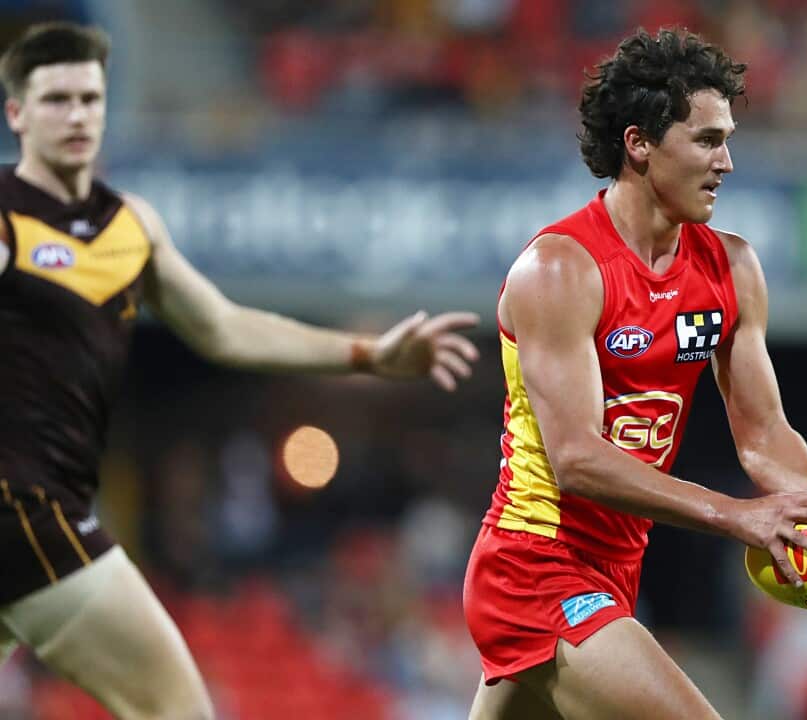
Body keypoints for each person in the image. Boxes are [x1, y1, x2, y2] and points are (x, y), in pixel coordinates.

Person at [0, 22, 480, 719]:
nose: (76, 116)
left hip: (45, 513)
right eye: (55, 100)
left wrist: (367, 355)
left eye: (89, 99)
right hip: (26, 513)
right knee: (178, 709)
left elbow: (224, 327)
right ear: (16, 114)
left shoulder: (129, 226)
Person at [462, 27, 807, 720]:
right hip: (532, 565)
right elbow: (577, 459)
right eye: (707, 140)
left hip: (615, 570)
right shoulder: (560, 270)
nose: (727, 162)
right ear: (639, 143)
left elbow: (764, 433)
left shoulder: (732, 267)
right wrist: (738, 515)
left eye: (729, 138)